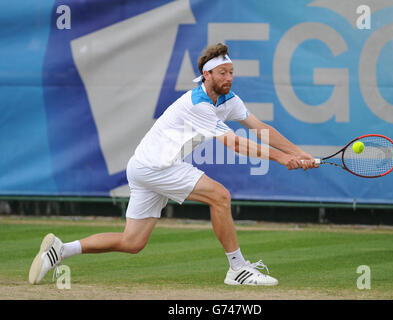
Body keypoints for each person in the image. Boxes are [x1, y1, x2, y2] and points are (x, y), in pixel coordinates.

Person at [29, 43, 317, 286]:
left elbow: (259, 127)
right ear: (207, 74)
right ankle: (237, 268)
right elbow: (235, 143)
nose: (228, 77)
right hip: (156, 167)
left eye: (231, 72)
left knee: (132, 242)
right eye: (222, 73)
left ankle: (60, 250)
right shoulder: (198, 103)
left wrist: (299, 154)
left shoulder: (229, 99)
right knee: (220, 196)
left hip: (144, 167)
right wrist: (282, 159)